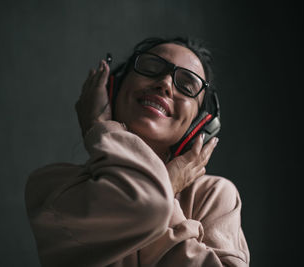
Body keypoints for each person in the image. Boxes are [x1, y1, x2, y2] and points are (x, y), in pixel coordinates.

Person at [25, 37, 250, 267]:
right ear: (113, 88)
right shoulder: (54, 186)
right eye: (151, 68)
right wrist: (168, 184)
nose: (165, 83)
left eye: (187, 85)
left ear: (199, 125)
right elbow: (146, 207)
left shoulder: (214, 195)